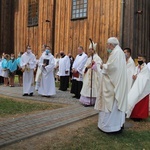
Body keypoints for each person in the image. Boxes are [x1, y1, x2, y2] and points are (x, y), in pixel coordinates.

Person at [95, 37, 127, 133]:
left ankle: (109, 126)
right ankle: (116, 125)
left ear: (111, 45)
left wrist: (102, 66)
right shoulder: (119, 52)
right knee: (115, 106)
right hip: (117, 82)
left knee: (110, 104)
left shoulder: (116, 53)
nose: (106, 46)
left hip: (113, 84)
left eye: (107, 44)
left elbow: (112, 68)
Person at [126, 55, 150, 120]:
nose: (139, 60)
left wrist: (137, 77)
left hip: (142, 87)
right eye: (138, 59)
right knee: (133, 98)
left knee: (139, 101)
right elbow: (135, 73)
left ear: (144, 60)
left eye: (140, 59)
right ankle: (133, 114)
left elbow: (145, 78)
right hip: (136, 86)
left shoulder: (145, 68)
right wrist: (134, 76)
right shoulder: (137, 67)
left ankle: (139, 116)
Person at [79, 40, 102, 106]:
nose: (90, 51)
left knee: (93, 87)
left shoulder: (97, 58)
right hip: (88, 75)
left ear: (94, 50)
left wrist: (94, 65)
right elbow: (85, 66)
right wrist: (87, 68)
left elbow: (99, 66)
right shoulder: (89, 58)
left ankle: (93, 101)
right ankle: (86, 101)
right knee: (87, 87)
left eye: (91, 49)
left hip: (94, 75)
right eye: (89, 50)